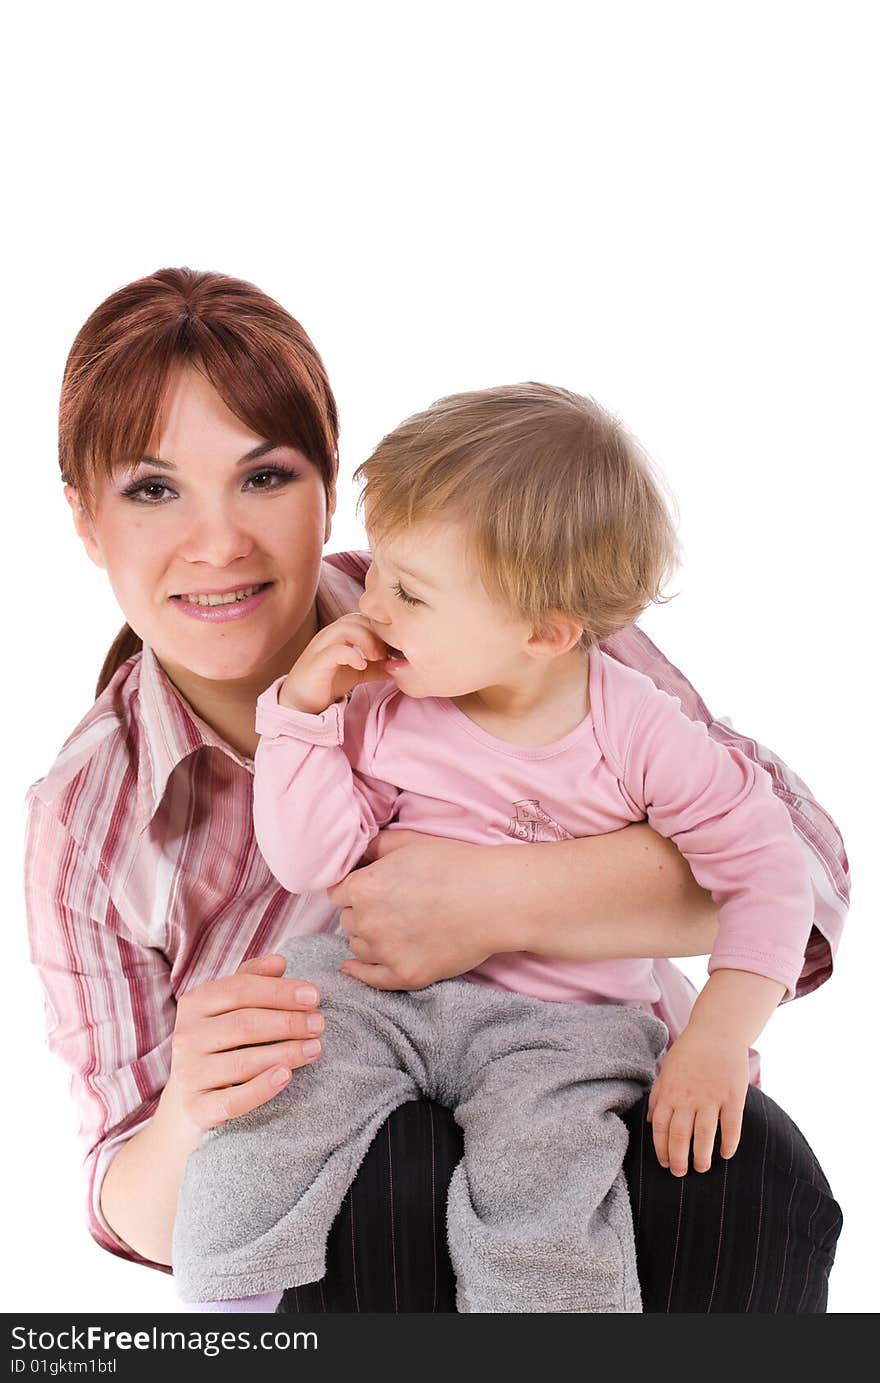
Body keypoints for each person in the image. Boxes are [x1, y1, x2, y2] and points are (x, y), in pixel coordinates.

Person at [24, 268, 846, 1315]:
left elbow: (799, 857)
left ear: (327, 486)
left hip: (574, 1077)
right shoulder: (86, 819)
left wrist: (501, 899)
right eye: (152, 489)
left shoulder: (488, 597)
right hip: (349, 1182)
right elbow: (124, 1202)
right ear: (86, 523)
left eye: (264, 477)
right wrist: (189, 1108)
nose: (218, 542)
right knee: (375, 1180)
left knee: (745, 1173)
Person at [171, 384, 816, 1313]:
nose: (370, 603)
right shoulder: (388, 704)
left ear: (544, 632)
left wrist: (718, 1035)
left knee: (542, 1189)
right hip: (386, 996)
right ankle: (228, 1302)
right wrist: (302, 718)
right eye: (382, 572)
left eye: (410, 590)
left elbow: (768, 868)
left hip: (565, 1031)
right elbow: (312, 861)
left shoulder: (639, 730)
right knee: (285, 1081)